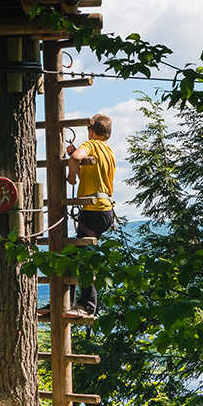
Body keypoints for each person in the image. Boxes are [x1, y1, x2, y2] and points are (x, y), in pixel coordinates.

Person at [65, 113, 116, 315]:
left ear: (90, 131)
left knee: (78, 257)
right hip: (106, 210)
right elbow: (87, 171)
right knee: (76, 255)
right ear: (108, 135)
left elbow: (77, 159)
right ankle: (71, 302)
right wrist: (75, 161)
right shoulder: (109, 152)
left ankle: (86, 305)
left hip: (93, 210)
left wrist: (71, 177)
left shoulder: (91, 145)